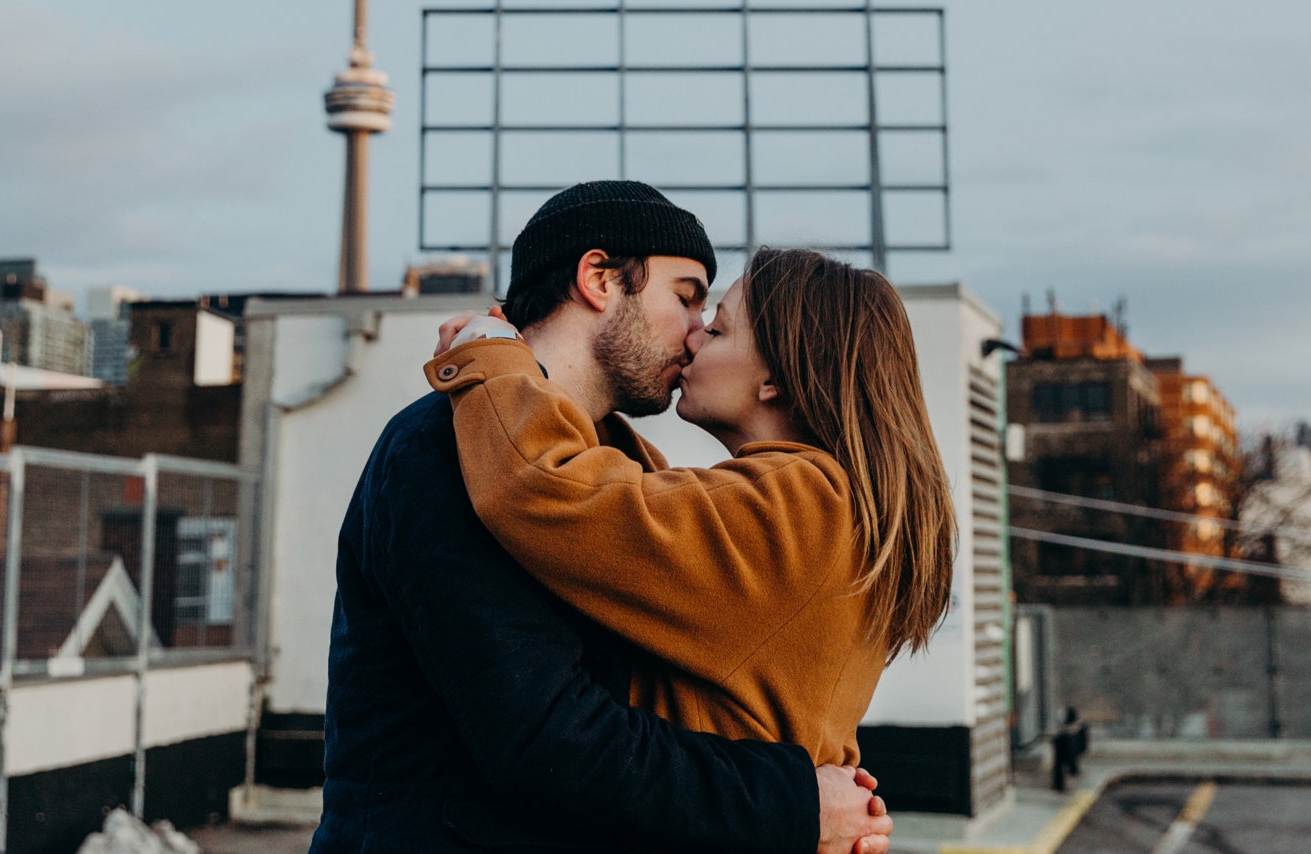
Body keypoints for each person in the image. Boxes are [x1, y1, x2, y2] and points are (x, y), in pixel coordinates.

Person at [312, 180, 893, 854]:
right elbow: (548, 741)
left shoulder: (615, 472)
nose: (697, 331)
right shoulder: (446, 447)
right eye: (685, 297)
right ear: (597, 279)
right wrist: (794, 802)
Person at [426, 239, 957, 780]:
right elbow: (645, 497)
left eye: (719, 329)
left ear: (773, 379)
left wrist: (491, 357)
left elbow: (545, 490)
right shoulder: (827, 504)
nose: (693, 336)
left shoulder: (799, 504)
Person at [1049, 707, 1089, 793]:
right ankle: (1069, 774)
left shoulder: (1067, 728)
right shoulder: (1079, 727)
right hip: (1071, 749)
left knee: (1059, 766)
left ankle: (1059, 784)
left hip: (1063, 748)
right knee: (1066, 765)